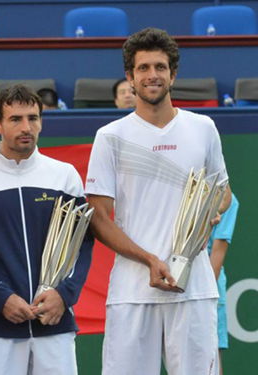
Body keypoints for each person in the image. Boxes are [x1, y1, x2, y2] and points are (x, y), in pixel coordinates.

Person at [85, 27, 231, 375]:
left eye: (160, 67)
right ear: (130, 77)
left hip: (193, 288)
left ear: (173, 74)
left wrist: (211, 211)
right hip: (133, 290)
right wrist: (149, 259)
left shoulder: (204, 128)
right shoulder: (110, 137)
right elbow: (99, 217)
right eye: (144, 68)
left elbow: (223, 192)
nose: (153, 75)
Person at [0, 85, 93, 375]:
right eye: (15, 119)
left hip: (55, 321)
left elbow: (81, 245)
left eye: (33, 118)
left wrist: (63, 295)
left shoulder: (64, 175)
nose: (26, 127)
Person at [207, 194, 239, 375]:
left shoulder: (229, 201)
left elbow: (216, 258)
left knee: (211, 360)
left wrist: (202, 299)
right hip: (168, 285)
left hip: (209, 291)